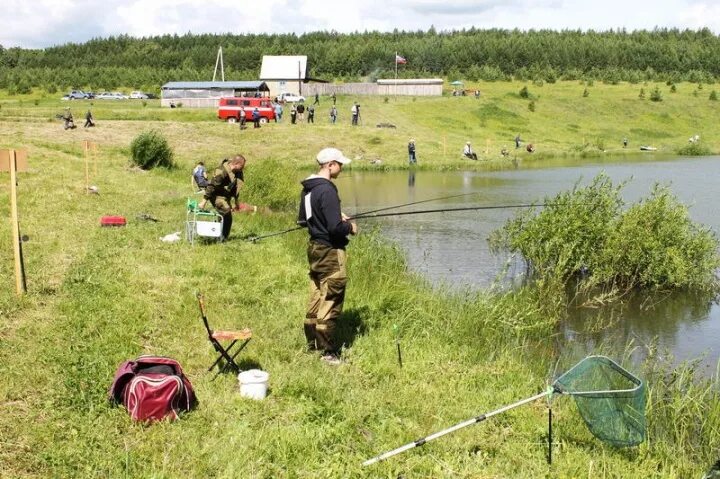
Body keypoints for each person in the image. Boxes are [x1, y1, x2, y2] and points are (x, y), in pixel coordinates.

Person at [297, 148, 357, 364]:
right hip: (330, 250)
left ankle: (312, 344)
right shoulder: (328, 190)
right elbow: (334, 228)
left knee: (316, 293)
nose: (341, 168)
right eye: (340, 164)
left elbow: (304, 220)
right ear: (330, 164)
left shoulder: (309, 189)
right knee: (332, 295)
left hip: (314, 247)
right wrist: (349, 227)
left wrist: (334, 216)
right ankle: (328, 352)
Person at [202, 155, 246, 241]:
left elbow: (237, 187)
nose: (243, 168)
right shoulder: (221, 171)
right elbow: (211, 186)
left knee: (225, 216)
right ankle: (222, 238)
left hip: (225, 195)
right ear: (236, 164)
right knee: (226, 212)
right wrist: (203, 201)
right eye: (242, 165)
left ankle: (218, 235)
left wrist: (236, 201)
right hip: (215, 195)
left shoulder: (238, 172)